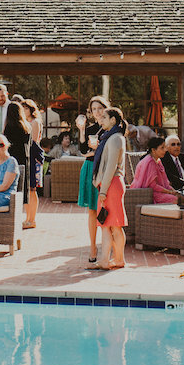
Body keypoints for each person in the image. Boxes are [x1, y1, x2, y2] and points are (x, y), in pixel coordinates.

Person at [91, 106, 129, 271]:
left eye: (105, 118)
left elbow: (111, 167)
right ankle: (107, 260)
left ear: (113, 120)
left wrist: (104, 191)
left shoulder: (115, 138)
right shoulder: (111, 137)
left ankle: (115, 259)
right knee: (108, 223)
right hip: (110, 184)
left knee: (113, 224)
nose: (101, 120)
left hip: (111, 184)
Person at [77, 95, 109, 264]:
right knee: (91, 211)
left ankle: (106, 245)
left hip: (105, 170)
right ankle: (92, 247)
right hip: (89, 169)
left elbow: (107, 152)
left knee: (106, 209)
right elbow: (83, 151)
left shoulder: (111, 127)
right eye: (94, 109)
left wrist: (95, 152)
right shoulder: (90, 129)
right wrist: (81, 130)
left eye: (100, 108)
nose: (97, 112)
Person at [131, 137, 183, 204]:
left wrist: (174, 191)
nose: (165, 150)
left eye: (165, 147)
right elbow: (152, 185)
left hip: (158, 191)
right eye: (162, 148)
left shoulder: (158, 161)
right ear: (153, 150)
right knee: (175, 199)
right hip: (148, 193)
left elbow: (165, 183)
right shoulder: (150, 162)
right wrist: (169, 192)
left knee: (181, 197)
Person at [20, 99, 44, 229]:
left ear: (31, 109)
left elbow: (33, 142)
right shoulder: (24, 122)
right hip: (27, 156)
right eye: (22, 108)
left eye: (26, 108)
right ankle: (27, 218)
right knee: (27, 189)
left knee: (32, 188)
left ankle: (32, 219)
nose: (24, 111)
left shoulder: (35, 122)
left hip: (33, 156)